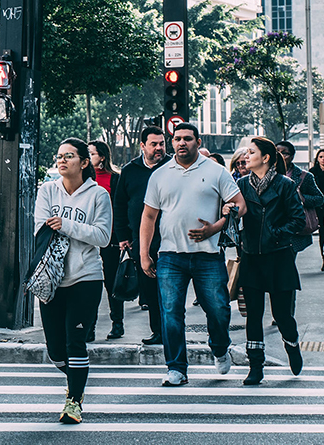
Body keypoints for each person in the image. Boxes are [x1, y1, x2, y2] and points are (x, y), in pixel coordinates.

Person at [140, 123, 247, 386]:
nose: (182, 143)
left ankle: (220, 348)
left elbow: (240, 206)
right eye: (177, 139)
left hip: (208, 256)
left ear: (198, 142)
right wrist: (144, 253)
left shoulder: (216, 171)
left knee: (219, 310)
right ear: (172, 141)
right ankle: (176, 368)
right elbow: (149, 216)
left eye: (188, 138)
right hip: (170, 256)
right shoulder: (160, 175)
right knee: (171, 313)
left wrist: (216, 227)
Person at [34, 138, 113, 423]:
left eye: (69, 155)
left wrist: (65, 224)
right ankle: (77, 377)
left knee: (75, 340)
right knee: (56, 350)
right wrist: (65, 227)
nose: (62, 160)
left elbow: (103, 236)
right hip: (51, 278)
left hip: (86, 276)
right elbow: (40, 229)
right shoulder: (46, 191)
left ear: (84, 162)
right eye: (59, 155)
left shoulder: (98, 195)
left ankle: (74, 400)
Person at [225, 137, 305, 385]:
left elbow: (298, 220)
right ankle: (255, 365)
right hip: (250, 256)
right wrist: (230, 214)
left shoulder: (285, 185)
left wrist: (275, 233)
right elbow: (233, 217)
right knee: (253, 315)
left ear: (266, 157)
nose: (245, 157)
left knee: (282, 315)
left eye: (251, 152)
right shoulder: (241, 186)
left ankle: (291, 344)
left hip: (279, 256)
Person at [113, 127, 171, 345]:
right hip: (141, 240)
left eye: (162, 143)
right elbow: (119, 205)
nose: (159, 148)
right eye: (154, 144)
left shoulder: (172, 167)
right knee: (149, 289)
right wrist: (123, 236)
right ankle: (157, 331)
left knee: (170, 289)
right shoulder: (129, 170)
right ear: (142, 146)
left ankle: (171, 332)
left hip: (170, 238)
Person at [87, 140, 122, 341]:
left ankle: (118, 323)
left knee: (111, 283)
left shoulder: (115, 178)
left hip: (110, 239)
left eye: (91, 154)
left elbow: (119, 209)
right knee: (90, 284)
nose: (88, 157)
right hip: (88, 239)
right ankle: (89, 327)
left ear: (102, 156)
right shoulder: (83, 180)